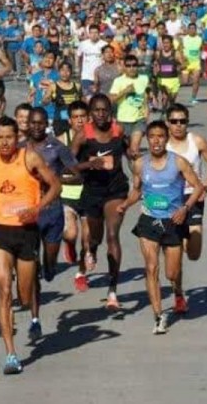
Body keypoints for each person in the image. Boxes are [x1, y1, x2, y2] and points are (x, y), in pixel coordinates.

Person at [0, 116, 62, 375]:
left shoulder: (29, 158)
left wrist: (37, 209)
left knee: (23, 295)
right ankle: (10, 354)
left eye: (9, 137)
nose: (5, 142)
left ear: (16, 136)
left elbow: (55, 185)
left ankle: (32, 301)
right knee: (4, 289)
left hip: (26, 232)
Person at [118, 121, 204, 334]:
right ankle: (158, 315)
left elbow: (198, 187)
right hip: (149, 221)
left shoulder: (179, 162)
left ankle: (177, 290)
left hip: (173, 221)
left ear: (167, 139)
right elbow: (137, 191)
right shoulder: (140, 164)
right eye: (152, 136)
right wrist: (125, 204)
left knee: (171, 273)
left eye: (160, 136)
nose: (156, 141)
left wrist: (185, 208)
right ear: (147, 138)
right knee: (151, 267)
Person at [70, 94, 130, 309]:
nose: (101, 114)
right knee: (94, 238)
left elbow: (130, 154)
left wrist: (141, 176)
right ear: (90, 113)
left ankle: (113, 291)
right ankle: (89, 253)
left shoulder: (118, 130)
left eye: (105, 110)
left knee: (113, 235)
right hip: (92, 192)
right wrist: (89, 164)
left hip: (116, 190)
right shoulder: (82, 135)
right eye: (96, 110)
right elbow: (70, 165)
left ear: (110, 111)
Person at [25, 107, 78, 338]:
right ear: (27, 124)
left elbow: (76, 174)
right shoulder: (19, 148)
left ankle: (51, 266)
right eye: (32, 123)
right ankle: (35, 319)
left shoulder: (57, 147)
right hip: (28, 213)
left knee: (48, 266)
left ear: (46, 123)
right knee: (32, 266)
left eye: (40, 123)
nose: (36, 126)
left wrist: (57, 179)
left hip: (52, 211)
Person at [165, 104, 207, 312]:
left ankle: (186, 242)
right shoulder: (162, 144)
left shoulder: (196, 141)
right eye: (174, 121)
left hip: (194, 196)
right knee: (175, 251)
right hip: (170, 200)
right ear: (167, 123)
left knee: (194, 252)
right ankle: (178, 294)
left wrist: (206, 185)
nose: (178, 125)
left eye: (182, 121)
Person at [57, 101, 92, 291]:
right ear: (70, 120)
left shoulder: (94, 138)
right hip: (67, 192)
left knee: (88, 238)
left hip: (88, 193)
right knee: (71, 233)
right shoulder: (62, 139)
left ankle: (81, 274)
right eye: (76, 117)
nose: (80, 120)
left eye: (83, 117)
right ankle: (68, 244)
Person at [110, 54, 149, 160]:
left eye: (134, 65)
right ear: (124, 67)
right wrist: (124, 91)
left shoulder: (144, 79)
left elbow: (145, 96)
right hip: (122, 121)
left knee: (134, 151)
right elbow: (111, 99)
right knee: (128, 153)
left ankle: (138, 175)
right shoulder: (118, 81)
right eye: (128, 66)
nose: (132, 68)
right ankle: (133, 171)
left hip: (138, 120)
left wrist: (146, 114)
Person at [43, 61, 82, 137]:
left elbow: (82, 103)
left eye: (67, 70)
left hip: (74, 121)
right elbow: (44, 102)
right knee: (61, 145)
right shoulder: (53, 86)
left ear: (71, 72)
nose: (65, 73)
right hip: (59, 121)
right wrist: (50, 98)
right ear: (59, 72)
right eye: (62, 70)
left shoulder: (77, 86)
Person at [77, 24, 108, 100]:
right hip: (86, 77)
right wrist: (79, 70)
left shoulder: (104, 44)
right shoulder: (83, 44)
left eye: (96, 33)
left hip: (101, 77)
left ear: (99, 33)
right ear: (89, 34)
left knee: (100, 99)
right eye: (91, 33)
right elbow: (79, 57)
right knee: (88, 99)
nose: (94, 35)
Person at [155, 35, 186, 106]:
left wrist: (179, 68)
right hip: (162, 79)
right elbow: (155, 64)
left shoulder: (176, 53)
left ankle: (168, 112)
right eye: (164, 43)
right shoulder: (158, 53)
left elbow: (184, 65)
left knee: (172, 100)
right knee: (165, 97)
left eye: (167, 43)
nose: (165, 45)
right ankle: (164, 111)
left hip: (174, 80)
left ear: (171, 43)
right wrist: (156, 68)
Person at [180, 23, 203, 105]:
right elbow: (180, 49)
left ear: (196, 29)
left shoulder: (199, 39)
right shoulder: (184, 39)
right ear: (188, 29)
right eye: (191, 28)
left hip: (196, 62)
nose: (192, 30)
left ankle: (193, 98)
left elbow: (202, 50)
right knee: (185, 81)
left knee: (196, 81)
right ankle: (190, 76)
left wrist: (202, 57)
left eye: (194, 28)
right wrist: (182, 59)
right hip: (186, 63)